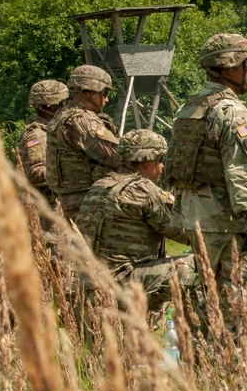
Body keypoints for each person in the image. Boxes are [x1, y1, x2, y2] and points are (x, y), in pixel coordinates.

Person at [165, 33, 247, 333]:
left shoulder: (188, 108)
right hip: (228, 222)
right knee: (238, 303)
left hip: (194, 219)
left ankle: (202, 362)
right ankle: (231, 366)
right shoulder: (232, 111)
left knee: (207, 296)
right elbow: (241, 172)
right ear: (230, 67)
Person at [76, 129, 198, 314]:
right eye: (160, 160)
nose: (163, 166)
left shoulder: (99, 185)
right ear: (148, 163)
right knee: (195, 266)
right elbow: (185, 232)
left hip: (87, 287)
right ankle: (202, 336)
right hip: (117, 287)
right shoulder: (143, 190)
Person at [45, 65, 121, 224]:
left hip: (69, 202)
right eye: (104, 93)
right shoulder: (82, 120)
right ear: (92, 92)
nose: (106, 99)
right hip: (86, 203)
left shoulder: (62, 114)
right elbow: (117, 156)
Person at [17, 79, 68, 213]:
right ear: (51, 107)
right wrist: (68, 172)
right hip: (43, 209)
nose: (65, 108)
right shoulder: (37, 135)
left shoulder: (49, 131)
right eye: (62, 104)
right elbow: (34, 172)